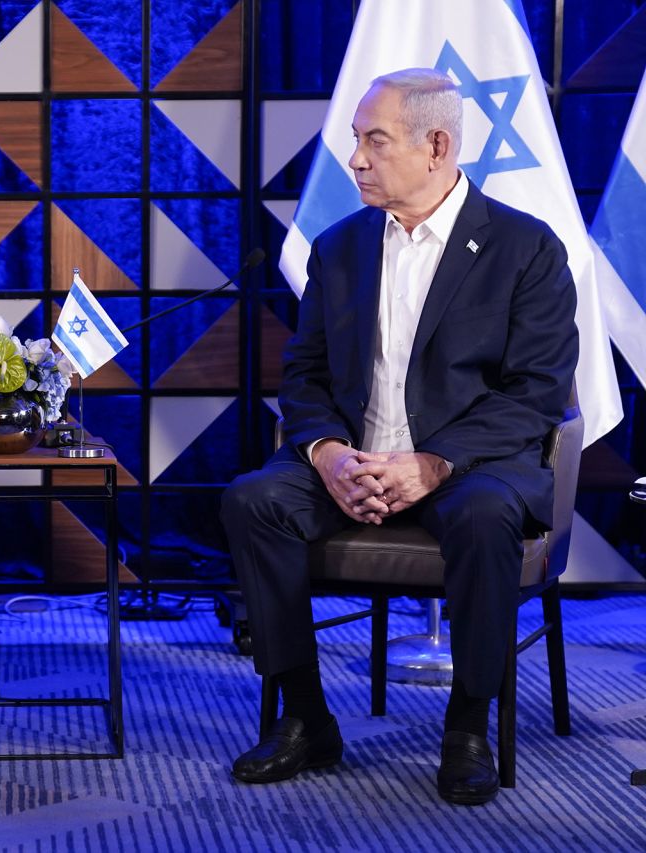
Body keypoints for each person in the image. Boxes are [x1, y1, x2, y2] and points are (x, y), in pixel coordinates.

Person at [220, 67, 577, 806]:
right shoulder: (341, 248)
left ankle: (467, 727)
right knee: (254, 500)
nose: (354, 158)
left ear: (437, 145)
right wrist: (326, 453)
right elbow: (306, 377)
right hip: (355, 460)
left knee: (484, 515)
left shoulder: (526, 249)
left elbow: (536, 393)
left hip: (469, 467)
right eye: (357, 139)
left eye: (373, 140)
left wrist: (434, 462)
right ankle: (307, 717)